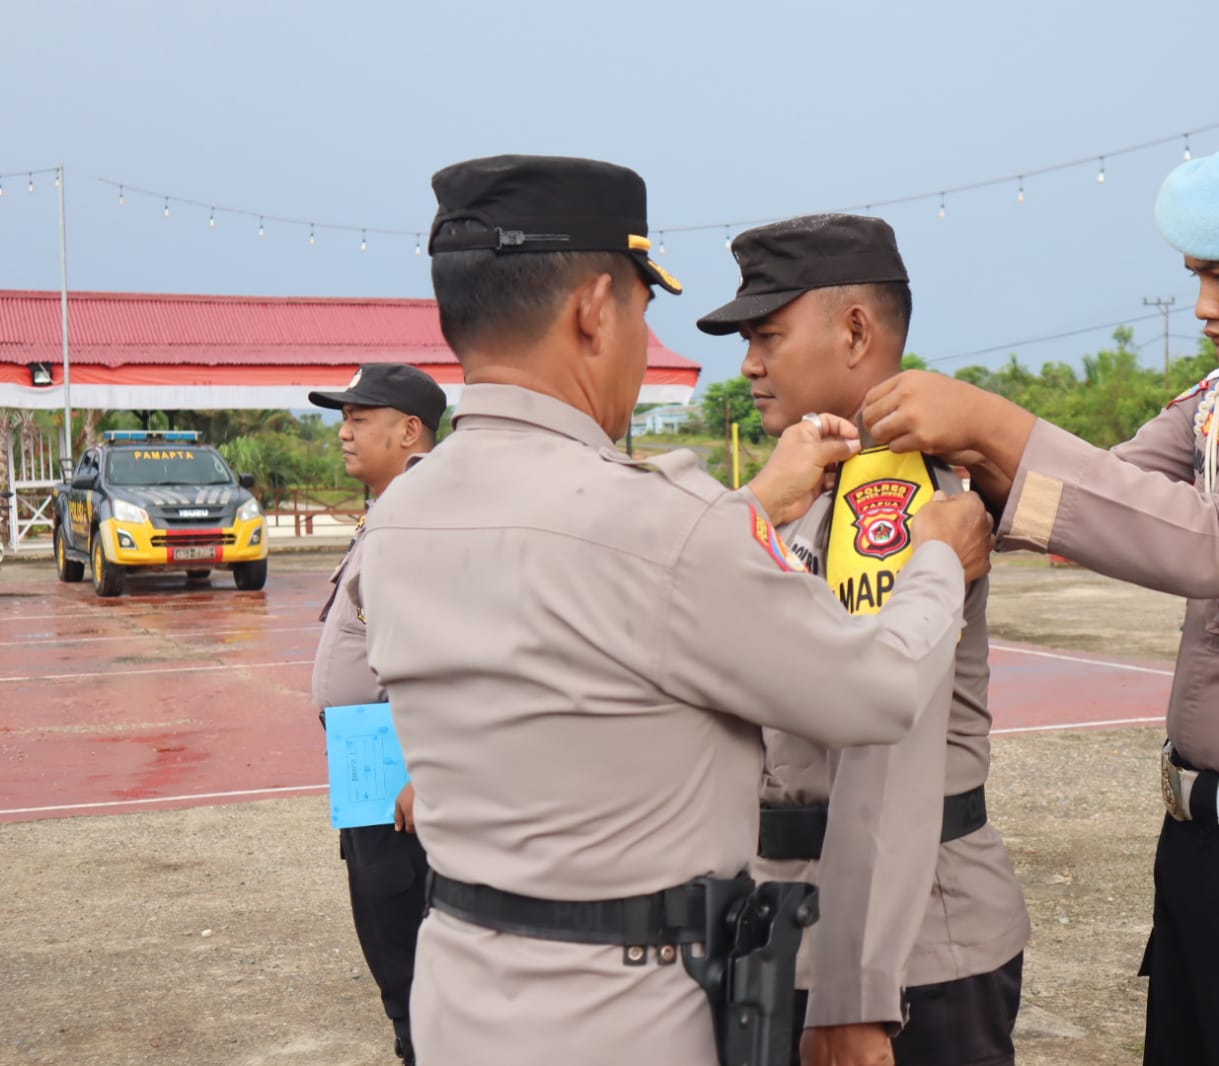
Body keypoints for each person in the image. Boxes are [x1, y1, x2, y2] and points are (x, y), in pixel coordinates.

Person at [357, 154, 997, 1066]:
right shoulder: (659, 524)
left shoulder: (403, 513)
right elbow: (878, 688)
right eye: (643, 307)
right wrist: (938, 558)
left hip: (460, 992)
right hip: (622, 1011)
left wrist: (747, 509)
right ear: (593, 308)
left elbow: (583, 611)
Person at [860, 124, 1219, 1065]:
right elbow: (1109, 489)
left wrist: (997, 423)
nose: (1203, 306)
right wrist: (939, 469)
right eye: (1196, 278)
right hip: (1200, 850)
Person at [697, 213, 1030, 1066]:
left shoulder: (902, 494)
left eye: (767, 334)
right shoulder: (806, 481)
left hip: (905, 952)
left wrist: (856, 988)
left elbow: (888, 735)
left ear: (854, 332)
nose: (749, 364)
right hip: (794, 924)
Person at [307, 361, 448, 1066]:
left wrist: (429, 767)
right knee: (388, 930)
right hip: (372, 764)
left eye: (359, 419)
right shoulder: (393, 508)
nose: (344, 433)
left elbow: (446, 651)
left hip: (401, 773)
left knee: (408, 942)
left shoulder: (421, 516)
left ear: (408, 429)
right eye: (344, 418)